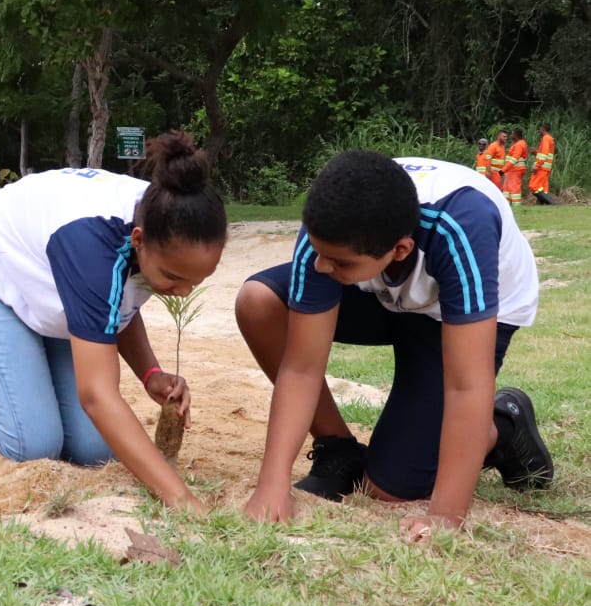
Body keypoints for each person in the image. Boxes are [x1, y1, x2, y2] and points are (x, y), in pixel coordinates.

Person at [236, 151, 553, 543]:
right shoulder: (330, 232)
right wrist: (273, 483)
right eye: (318, 251)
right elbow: (302, 367)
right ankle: (339, 450)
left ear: (400, 250)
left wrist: (444, 517)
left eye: (337, 262)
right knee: (259, 303)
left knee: (391, 488)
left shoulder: (461, 225)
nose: (320, 265)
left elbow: (466, 385)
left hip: (454, 315)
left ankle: (502, 426)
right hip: (380, 292)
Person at [0, 132, 226, 515]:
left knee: (93, 450)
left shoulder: (172, 214)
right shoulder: (97, 248)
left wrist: (151, 373)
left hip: (57, 290)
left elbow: (118, 304)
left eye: (198, 280)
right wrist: (181, 498)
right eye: (174, 278)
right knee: (32, 443)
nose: (184, 291)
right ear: (138, 240)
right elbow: (97, 395)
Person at [529, 123, 555, 200]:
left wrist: (537, 166)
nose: (539, 131)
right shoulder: (550, 138)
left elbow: (544, 154)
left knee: (534, 186)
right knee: (543, 188)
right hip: (546, 167)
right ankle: (543, 204)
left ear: (543, 129)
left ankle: (551, 203)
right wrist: (536, 152)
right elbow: (545, 153)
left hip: (542, 167)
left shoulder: (546, 138)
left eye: (540, 129)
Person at [503, 128, 529, 204]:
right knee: (507, 189)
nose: (511, 136)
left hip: (515, 170)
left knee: (514, 189)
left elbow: (514, 159)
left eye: (512, 134)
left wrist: (503, 170)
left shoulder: (519, 144)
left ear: (516, 135)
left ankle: (516, 206)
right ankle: (507, 205)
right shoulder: (518, 144)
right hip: (511, 170)